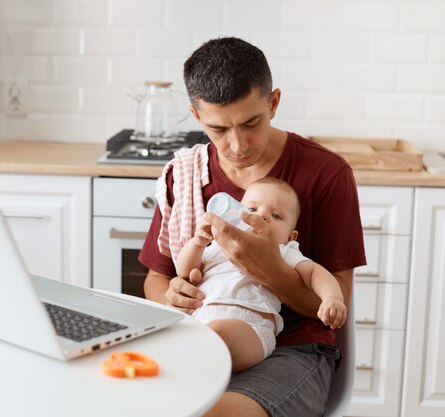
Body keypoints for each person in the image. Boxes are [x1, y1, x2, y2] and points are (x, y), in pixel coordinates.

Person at [138, 36, 366, 417]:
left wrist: (268, 269)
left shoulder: (326, 173)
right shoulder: (185, 174)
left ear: (273, 103)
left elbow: (334, 300)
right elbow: (155, 280)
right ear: (196, 117)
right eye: (218, 129)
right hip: (199, 338)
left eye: (251, 122)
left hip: (293, 348)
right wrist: (171, 297)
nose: (238, 144)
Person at [176, 177, 347, 373]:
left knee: (219, 335)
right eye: (251, 210)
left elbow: (315, 273)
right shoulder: (220, 243)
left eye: (276, 216)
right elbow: (184, 270)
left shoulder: (282, 250)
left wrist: (332, 297)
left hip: (250, 328)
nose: (261, 217)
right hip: (200, 320)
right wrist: (198, 243)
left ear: (290, 236)